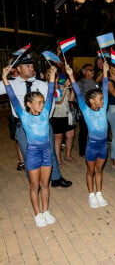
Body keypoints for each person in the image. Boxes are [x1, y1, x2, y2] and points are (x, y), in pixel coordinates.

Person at [0, 54, 72, 188]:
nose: (31, 68)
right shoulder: (11, 83)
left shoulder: (40, 83)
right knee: (28, 154)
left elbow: (51, 101)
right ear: (18, 69)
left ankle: (56, 178)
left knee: (50, 152)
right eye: (27, 66)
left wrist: (46, 119)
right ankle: (34, 181)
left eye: (32, 65)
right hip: (23, 126)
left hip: (44, 124)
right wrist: (4, 75)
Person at [2, 65, 57, 227]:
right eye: (38, 103)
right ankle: (37, 214)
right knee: (34, 186)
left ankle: (46, 211)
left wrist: (52, 75)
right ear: (29, 104)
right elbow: (11, 96)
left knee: (45, 185)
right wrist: (5, 77)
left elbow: (51, 91)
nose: (42, 105)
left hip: (46, 151)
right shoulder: (23, 115)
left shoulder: (46, 112)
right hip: (33, 153)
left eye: (42, 102)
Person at [66, 61, 109, 208]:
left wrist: (106, 71)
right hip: (92, 146)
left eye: (103, 98)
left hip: (103, 146)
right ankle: (91, 194)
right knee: (90, 170)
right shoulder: (86, 110)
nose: (103, 101)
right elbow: (78, 92)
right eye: (100, 99)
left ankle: (99, 193)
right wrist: (71, 75)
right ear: (91, 101)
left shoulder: (103, 109)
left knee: (99, 170)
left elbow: (105, 88)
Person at [50, 74, 76, 166]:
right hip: (56, 115)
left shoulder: (64, 86)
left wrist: (73, 90)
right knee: (58, 138)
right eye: (56, 77)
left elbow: (70, 100)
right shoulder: (51, 87)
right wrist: (65, 88)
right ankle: (58, 159)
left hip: (67, 114)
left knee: (70, 135)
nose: (58, 79)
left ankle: (68, 155)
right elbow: (58, 100)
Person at [77, 64, 100, 157]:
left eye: (93, 70)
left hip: (96, 111)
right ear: (84, 72)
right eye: (90, 70)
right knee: (84, 131)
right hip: (85, 111)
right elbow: (78, 97)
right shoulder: (80, 83)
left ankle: (93, 149)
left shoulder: (95, 82)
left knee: (94, 131)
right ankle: (82, 151)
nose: (92, 71)